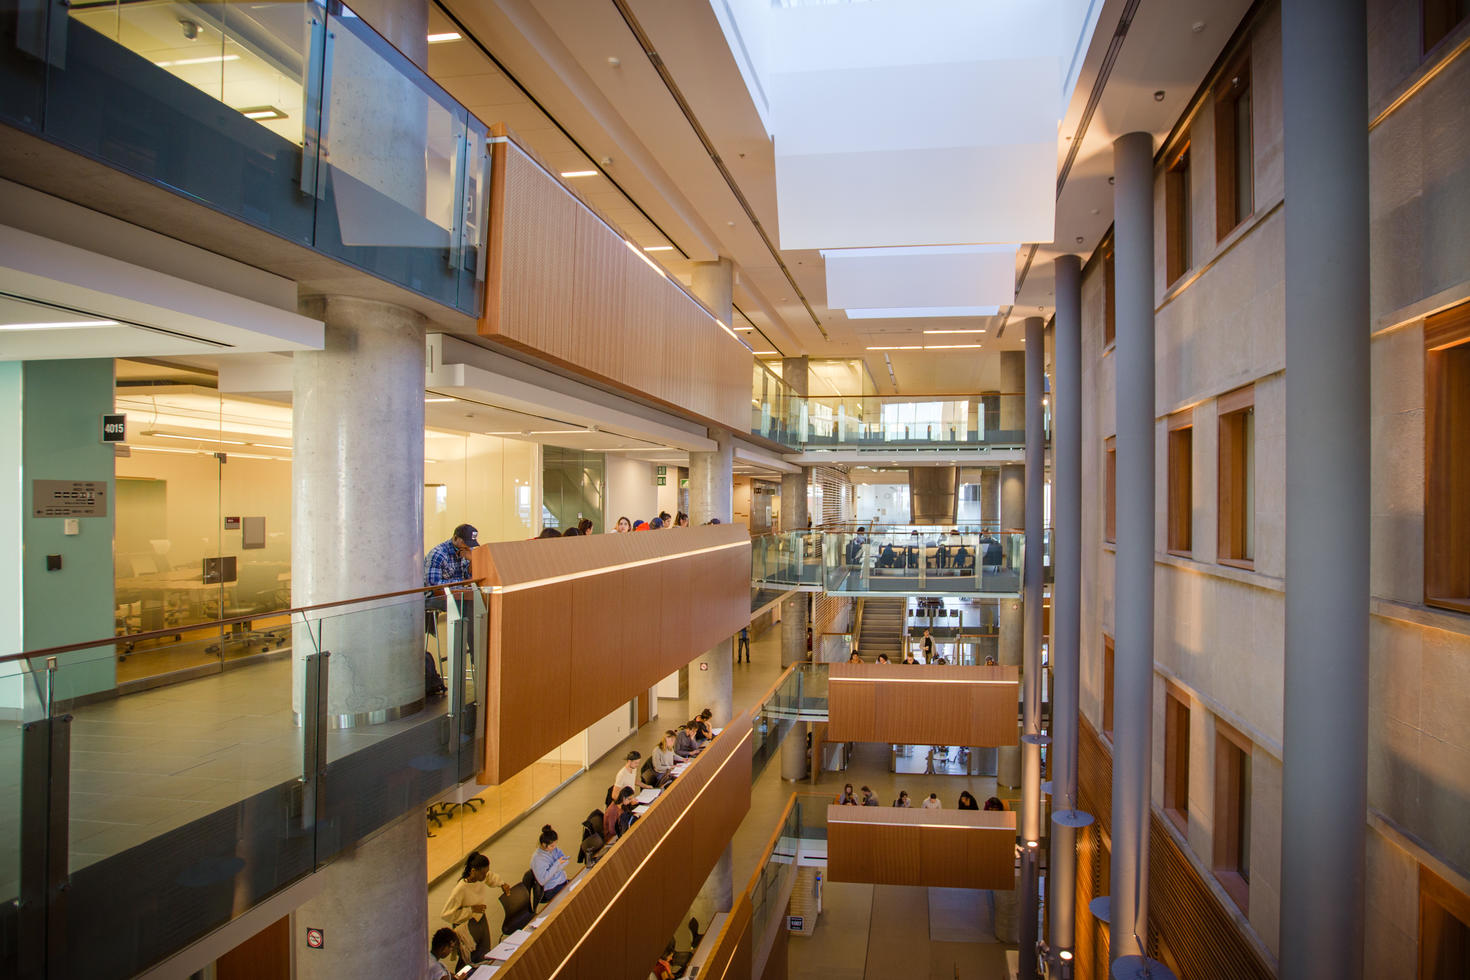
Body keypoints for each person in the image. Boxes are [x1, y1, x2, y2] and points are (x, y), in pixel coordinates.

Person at [441, 850, 509, 961]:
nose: (485, 875)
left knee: (485, 951)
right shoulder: (461, 889)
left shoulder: (481, 877)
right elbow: (446, 914)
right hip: (465, 926)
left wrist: (502, 884)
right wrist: (471, 910)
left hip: (480, 919)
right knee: (467, 958)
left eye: (486, 872)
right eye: (483, 873)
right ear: (473, 871)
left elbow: (490, 877)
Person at [531, 825, 571, 902]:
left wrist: (556, 868)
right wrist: (557, 864)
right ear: (543, 844)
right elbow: (542, 881)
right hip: (551, 889)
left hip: (561, 881)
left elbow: (565, 861)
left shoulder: (553, 849)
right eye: (552, 846)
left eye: (555, 844)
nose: (554, 847)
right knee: (571, 899)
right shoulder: (538, 859)